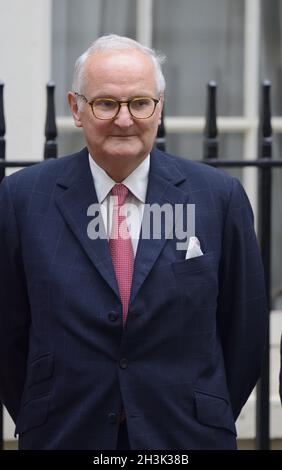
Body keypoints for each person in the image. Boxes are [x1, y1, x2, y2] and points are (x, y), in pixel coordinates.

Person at [0, 34, 267, 450]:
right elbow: (8, 333)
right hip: (66, 434)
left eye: (140, 103)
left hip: (185, 437)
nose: (124, 119)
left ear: (159, 109)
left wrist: (204, 415)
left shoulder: (217, 197)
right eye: (106, 103)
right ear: (76, 109)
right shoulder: (22, 199)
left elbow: (245, 332)